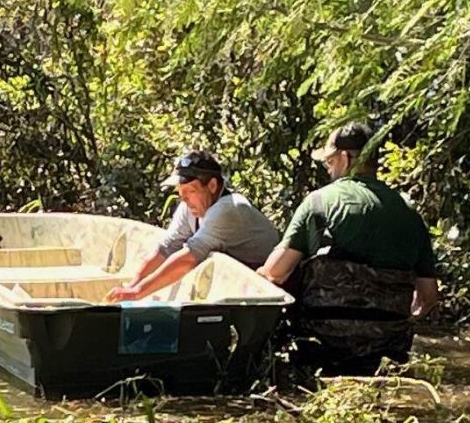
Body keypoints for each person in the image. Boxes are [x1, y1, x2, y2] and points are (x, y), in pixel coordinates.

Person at [255, 122, 440, 373]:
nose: (329, 169)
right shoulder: (410, 215)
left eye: (329, 162)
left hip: (323, 350)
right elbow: (428, 297)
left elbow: (274, 274)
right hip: (388, 354)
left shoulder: (318, 203)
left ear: (345, 158)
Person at [106, 151, 281, 302]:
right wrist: (131, 286)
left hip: (268, 288)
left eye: (190, 191)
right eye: (180, 192)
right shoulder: (190, 207)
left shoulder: (228, 209)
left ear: (212, 186)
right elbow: (166, 249)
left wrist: (137, 293)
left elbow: (188, 258)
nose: (184, 199)